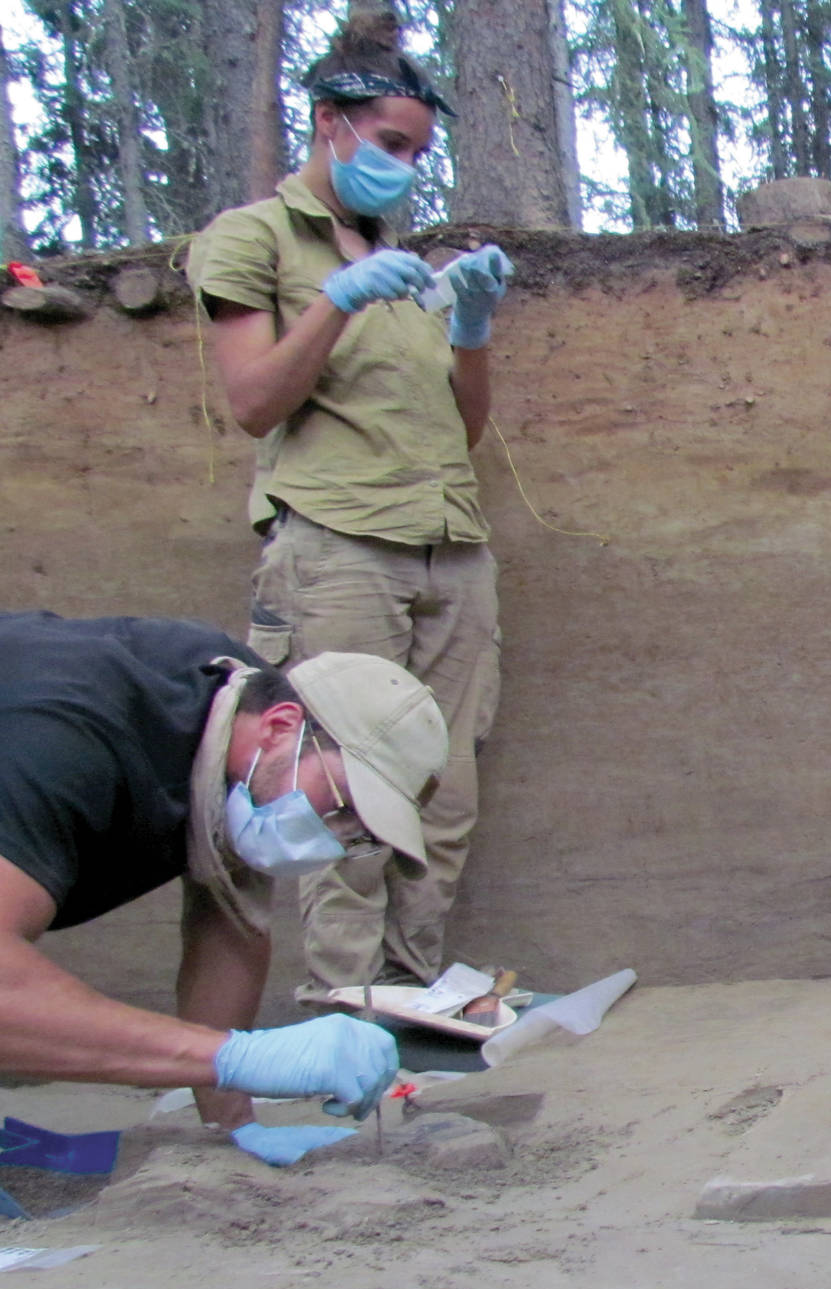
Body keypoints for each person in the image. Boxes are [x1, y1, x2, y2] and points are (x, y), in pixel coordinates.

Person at [188, 7, 512, 1005]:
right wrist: (338, 298)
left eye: (419, 150)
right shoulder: (253, 240)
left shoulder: (402, 257)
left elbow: (458, 428)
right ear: (328, 122)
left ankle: (410, 1004)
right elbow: (251, 403)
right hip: (335, 551)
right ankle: (343, 1010)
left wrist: (468, 328)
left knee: (444, 795)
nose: (406, 166)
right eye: (390, 143)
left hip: (450, 547)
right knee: (341, 793)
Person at [0, 611, 448, 1165]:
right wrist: (237, 1058)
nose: (332, 839)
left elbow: (230, 919)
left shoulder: (238, 723)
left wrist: (231, 1129)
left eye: (358, 835)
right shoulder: (66, 739)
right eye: (342, 806)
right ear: (281, 727)